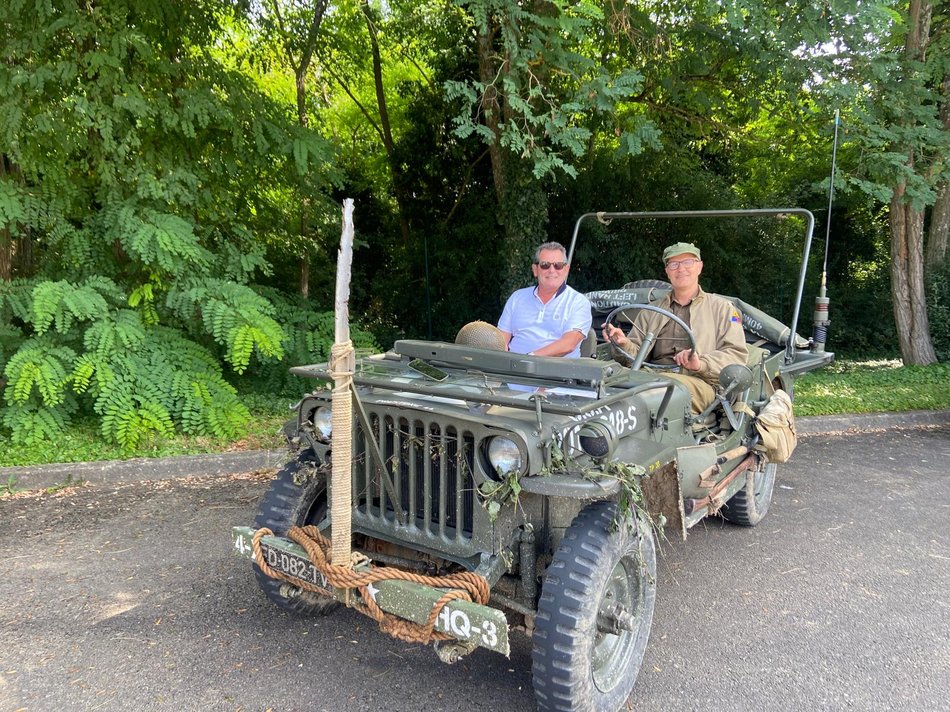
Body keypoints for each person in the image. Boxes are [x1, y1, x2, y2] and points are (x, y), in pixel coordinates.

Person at [602, 242, 748, 413]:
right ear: (667, 272)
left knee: (655, 392)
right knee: (602, 382)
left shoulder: (722, 309)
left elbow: (737, 355)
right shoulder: (651, 310)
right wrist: (623, 343)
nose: (681, 269)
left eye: (688, 262)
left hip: (699, 381)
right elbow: (632, 358)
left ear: (699, 267)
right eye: (674, 264)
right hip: (649, 375)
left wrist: (700, 363)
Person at [498, 241, 592, 358]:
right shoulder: (517, 297)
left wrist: (529, 358)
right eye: (545, 265)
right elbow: (501, 339)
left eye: (558, 265)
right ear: (535, 270)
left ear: (566, 269)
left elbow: (569, 344)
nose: (552, 270)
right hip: (512, 370)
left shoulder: (578, 302)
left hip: (557, 373)